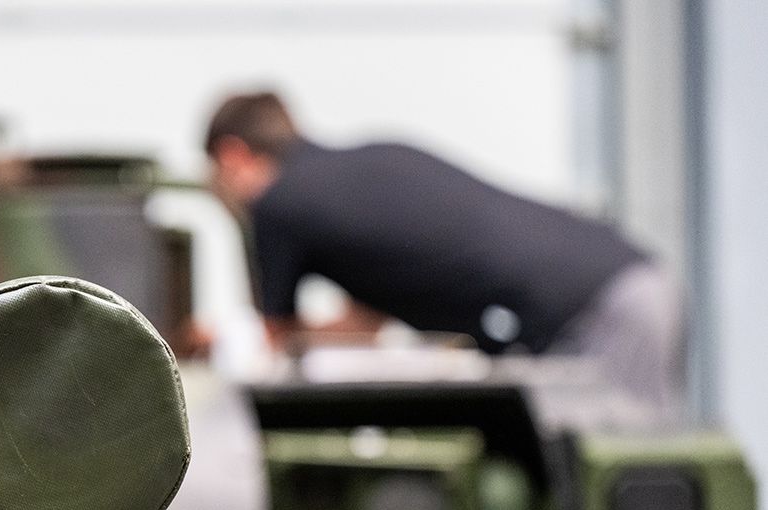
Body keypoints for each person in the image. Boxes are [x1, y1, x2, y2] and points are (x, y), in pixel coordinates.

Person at [205, 91, 682, 412]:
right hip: (627, 284)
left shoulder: (278, 202)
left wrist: (223, 337)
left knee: (626, 498)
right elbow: (364, 327)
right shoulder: (363, 171)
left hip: (597, 315)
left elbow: (275, 347)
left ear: (233, 156)